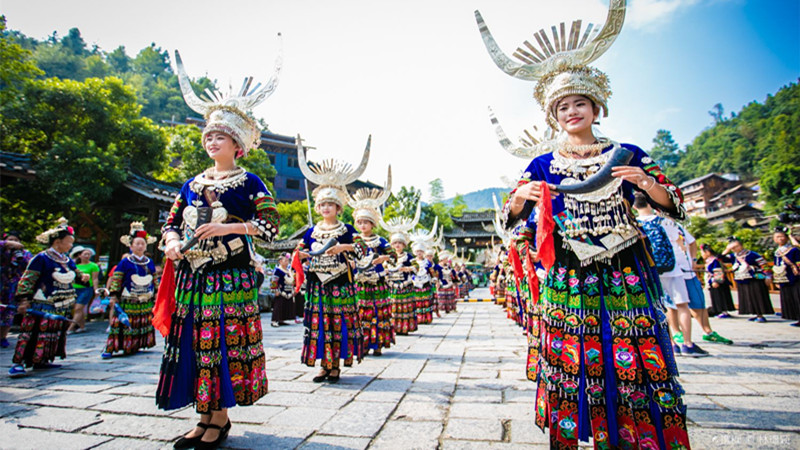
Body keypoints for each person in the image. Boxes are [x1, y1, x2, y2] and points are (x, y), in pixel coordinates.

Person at [478, 0, 691, 446]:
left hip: (625, 267)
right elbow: (510, 220)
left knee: (631, 347)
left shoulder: (627, 154)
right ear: (552, 116)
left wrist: (646, 185)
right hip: (568, 269)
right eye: (562, 107)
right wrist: (519, 199)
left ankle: (633, 433)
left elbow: (676, 205)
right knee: (571, 352)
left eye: (580, 103)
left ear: (597, 107)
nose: (571, 112)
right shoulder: (542, 163)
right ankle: (573, 432)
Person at [156, 49, 280, 450]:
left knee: (220, 341)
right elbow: (172, 222)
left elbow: (270, 226)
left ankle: (219, 419)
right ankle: (204, 416)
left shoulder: (250, 183)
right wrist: (173, 242)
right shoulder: (191, 184)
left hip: (230, 274)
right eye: (208, 135)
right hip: (192, 277)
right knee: (195, 340)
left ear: (238, 144)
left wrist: (229, 226)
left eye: (220, 136)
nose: (212, 140)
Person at [294, 136, 370, 383]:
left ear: (339, 208)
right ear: (317, 207)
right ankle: (323, 366)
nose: (326, 208)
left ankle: (334, 366)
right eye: (323, 204)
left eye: (331, 204)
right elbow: (300, 251)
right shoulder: (311, 230)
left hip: (339, 283)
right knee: (320, 325)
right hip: (317, 284)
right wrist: (302, 255)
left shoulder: (347, 229)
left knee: (337, 324)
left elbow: (362, 251)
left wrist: (343, 248)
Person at [633, 194, 717, 354]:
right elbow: (681, 242)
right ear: (651, 204)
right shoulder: (666, 221)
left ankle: (671, 343)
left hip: (651, 270)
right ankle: (688, 344)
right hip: (673, 268)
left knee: (661, 306)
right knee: (682, 305)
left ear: (634, 207)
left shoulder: (635, 224)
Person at [9, 219, 89, 377]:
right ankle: (18, 363)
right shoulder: (41, 258)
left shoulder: (66, 260)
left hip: (60, 302)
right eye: (69, 242)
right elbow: (28, 279)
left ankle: (42, 359)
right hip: (42, 301)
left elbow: (77, 276)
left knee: (52, 333)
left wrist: (83, 277)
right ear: (58, 242)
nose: (71, 246)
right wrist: (24, 299)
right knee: (33, 332)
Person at [349, 174, 394, 356]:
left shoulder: (380, 240)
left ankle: (378, 343)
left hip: (378, 281)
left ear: (372, 224)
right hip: (360, 282)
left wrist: (382, 259)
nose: (362, 225)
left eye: (366, 222)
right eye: (359, 222)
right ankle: (363, 343)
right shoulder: (353, 240)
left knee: (377, 311)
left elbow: (392, 255)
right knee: (361, 312)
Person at [102, 223, 157, 359]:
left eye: (142, 244)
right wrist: (114, 295)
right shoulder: (125, 262)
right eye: (137, 244)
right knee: (123, 322)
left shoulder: (149, 262)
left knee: (141, 321)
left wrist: (156, 293)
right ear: (131, 246)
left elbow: (155, 279)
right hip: (128, 296)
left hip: (145, 296)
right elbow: (117, 279)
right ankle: (113, 347)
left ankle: (135, 345)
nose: (140, 246)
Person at [380, 206, 421, 335]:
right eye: (394, 243)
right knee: (393, 308)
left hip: (405, 285)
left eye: (399, 243)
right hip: (391, 285)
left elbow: (417, 267)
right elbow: (384, 267)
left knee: (404, 308)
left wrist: (407, 268)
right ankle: (394, 328)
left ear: (404, 245)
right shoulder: (388, 257)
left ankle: (404, 328)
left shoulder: (408, 256)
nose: (397, 245)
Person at [722, 237, 773, 322]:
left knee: (757, 296)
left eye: (736, 246)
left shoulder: (752, 254)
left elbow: (764, 264)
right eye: (733, 248)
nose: (735, 249)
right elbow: (720, 258)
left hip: (754, 278)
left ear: (741, 245)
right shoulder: (733, 256)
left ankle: (760, 315)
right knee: (748, 297)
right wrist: (727, 249)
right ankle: (754, 313)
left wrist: (768, 276)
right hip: (742, 278)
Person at [0, 231, 32, 348]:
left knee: (9, 313)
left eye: (16, 240)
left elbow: (29, 267)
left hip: (13, 287)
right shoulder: (2, 251)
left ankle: (3, 337)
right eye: (10, 240)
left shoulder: (24, 253)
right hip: (1, 283)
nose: (13, 243)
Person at [68, 245, 100, 334]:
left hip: (86, 289)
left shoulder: (93, 266)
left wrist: (95, 289)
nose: (87, 256)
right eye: (85, 254)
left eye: (89, 254)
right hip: (75, 288)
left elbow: (95, 278)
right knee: (78, 309)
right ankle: (82, 327)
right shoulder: (75, 266)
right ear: (79, 255)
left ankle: (70, 328)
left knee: (78, 308)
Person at [772, 227, 800, 326]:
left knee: (797, 296)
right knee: (788, 297)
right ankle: (794, 316)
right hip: (782, 276)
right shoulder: (776, 251)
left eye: (781, 236)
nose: (780, 239)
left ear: (786, 238)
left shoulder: (793, 250)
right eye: (777, 237)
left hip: (794, 276)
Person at [700, 244, 735, 319]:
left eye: (702, 253)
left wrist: (717, 281)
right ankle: (718, 310)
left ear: (707, 252)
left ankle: (724, 311)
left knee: (721, 296)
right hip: (712, 281)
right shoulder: (710, 260)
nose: (702, 255)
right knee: (716, 296)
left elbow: (718, 270)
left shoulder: (715, 260)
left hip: (718, 282)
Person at [271, 254, 296, 327]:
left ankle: (281, 319)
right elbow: (274, 281)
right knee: (278, 305)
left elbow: (292, 281)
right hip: (280, 290)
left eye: (288, 261)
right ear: (280, 261)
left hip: (288, 289)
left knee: (285, 305)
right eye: (285, 261)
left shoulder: (288, 270)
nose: (287, 262)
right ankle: (274, 320)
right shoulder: (277, 270)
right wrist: (275, 290)